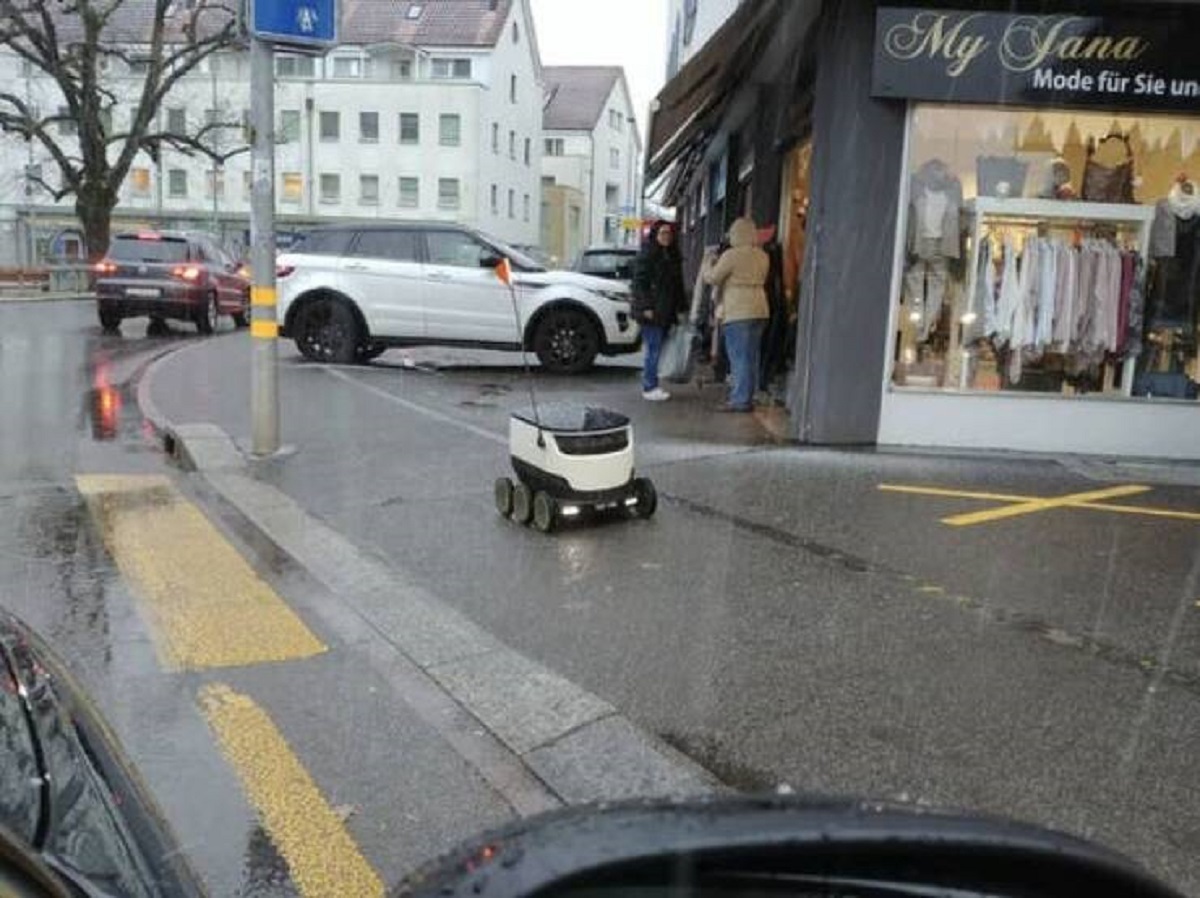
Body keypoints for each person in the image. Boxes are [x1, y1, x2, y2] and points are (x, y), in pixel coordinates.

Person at [703, 217, 770, 412]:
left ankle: (740, 399)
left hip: (738, 310)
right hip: (760, 308)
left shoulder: (732, 255)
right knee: (751, 356)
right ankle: (750, 395)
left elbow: (713, 278)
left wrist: (708, 262)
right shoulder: (763, 255)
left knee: (739, 357)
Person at [631, 221, 688, 401]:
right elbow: (640, 284)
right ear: (655, 234)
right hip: (652, 311)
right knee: (653, 349)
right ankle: (650, 387)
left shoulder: (671, 255)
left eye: (669, 233)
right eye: (663, 233)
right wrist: (646, 306)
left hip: (665, 311)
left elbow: (678, 286)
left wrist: (681, 308)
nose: (666, 237)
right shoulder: (648, 255)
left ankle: (652, 383)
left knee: (657, 348)